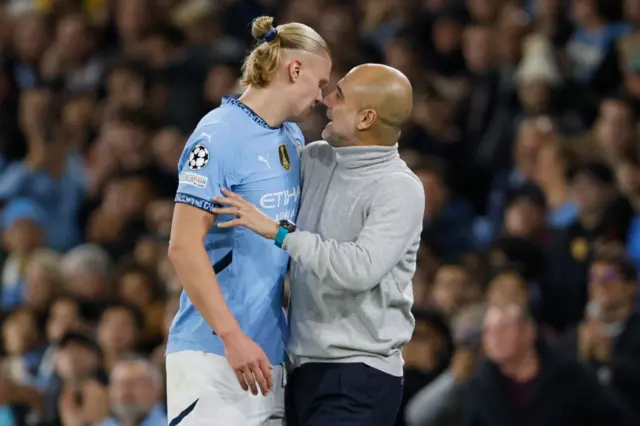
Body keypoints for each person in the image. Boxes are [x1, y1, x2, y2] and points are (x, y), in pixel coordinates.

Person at [213, 63, 424, 426]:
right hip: (300, 367)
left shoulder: (398, 188)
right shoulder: (315, 158)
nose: (326, 100)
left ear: (366, 118)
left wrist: (280, 234)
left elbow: (359, 269)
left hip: (359, 374)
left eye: (338, 95)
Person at [165, 16, 331, 426]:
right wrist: (232, 337)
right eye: (322, 83)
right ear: (295, 70)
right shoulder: (218, 135)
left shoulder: (292, 138)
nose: (323, 96)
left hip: (269, 355)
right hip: (214, 353)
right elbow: (182, 247)